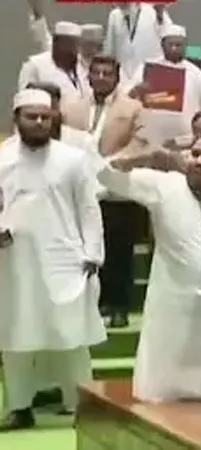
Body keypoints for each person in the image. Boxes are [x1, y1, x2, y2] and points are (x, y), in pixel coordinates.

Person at [97, 130, 201, 414]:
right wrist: (144, 156)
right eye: (195, 153)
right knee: (166, 402)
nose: (199, 161)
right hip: (174, 312)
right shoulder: (165, 186)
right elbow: (103, 174)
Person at [0, 89, 105, 430]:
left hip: (65, 260)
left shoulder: (72, 159)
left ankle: (82, 405)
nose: (39, 122)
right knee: (15, 337)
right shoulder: (2, 158)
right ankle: (19, 408)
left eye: (45, 117)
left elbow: (89, 208)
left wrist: (93, 253)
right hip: (14, 262)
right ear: (16, 119)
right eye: (32, 117)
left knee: (70, 336)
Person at [60, 55, 150, 328]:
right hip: (79, 188)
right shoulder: (71, 107)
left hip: (116, 188)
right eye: (96, 72)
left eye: (107, 73)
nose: (101, 78)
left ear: (117, 78)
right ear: (88, 76)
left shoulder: (133, 108)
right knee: (82, 250)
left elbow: (141, 143)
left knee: (118, 250)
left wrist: (108, 164)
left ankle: (119, 305)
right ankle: (91, 304)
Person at [128, 24, 201, 144]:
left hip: (184, 138)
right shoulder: (146, 68)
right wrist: (138, 90)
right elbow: (127, 96)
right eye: (170, 45)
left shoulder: (195, 73)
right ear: (162, 45)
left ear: (185, 45)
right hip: (149, 137)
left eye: (178, 45)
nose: (174, 49)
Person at [18, 21, 90, 104]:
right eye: (68, 44)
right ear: (56, 43)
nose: (73, 50)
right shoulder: (35, 65)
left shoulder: (82, 66)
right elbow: (24, 97)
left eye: (76, 45)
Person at [105, 2, 171, 76]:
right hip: (123, 72)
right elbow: (110, 47)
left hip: (150, 70)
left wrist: (160, 16)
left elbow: (169, 38)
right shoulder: (114, 15)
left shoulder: (154, 11)